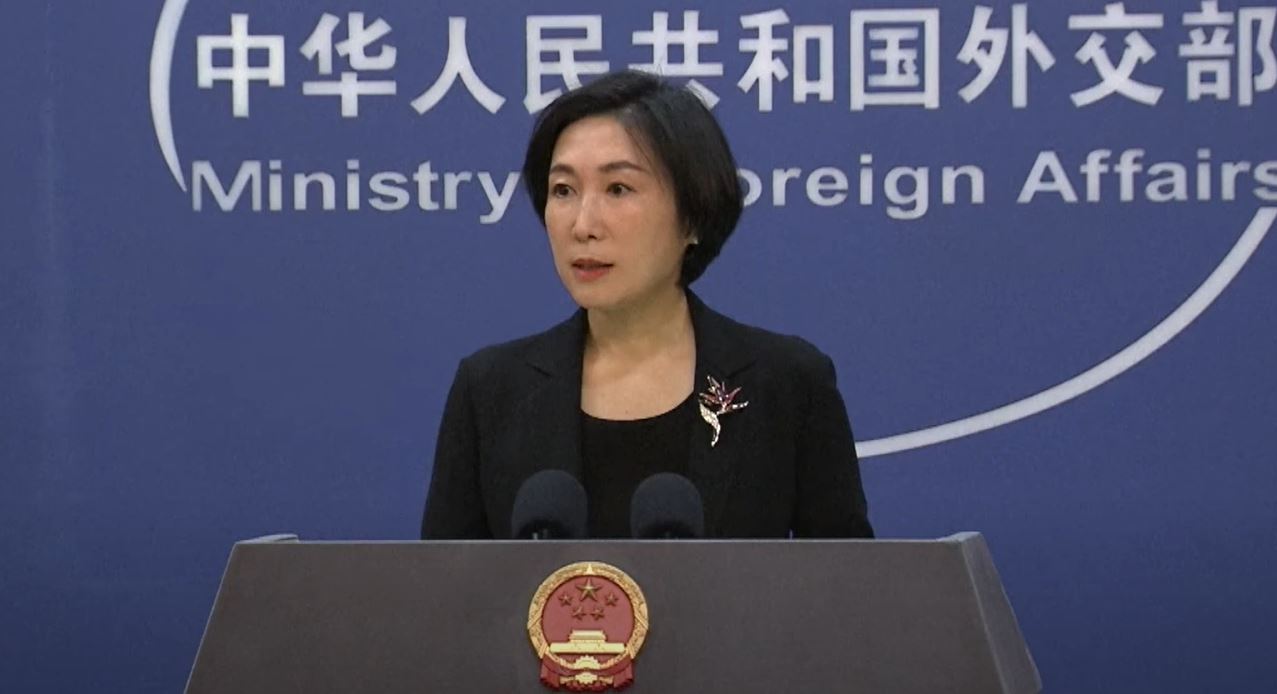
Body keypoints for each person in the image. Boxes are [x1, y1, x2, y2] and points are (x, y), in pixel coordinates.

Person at [421, 70, 872, 539]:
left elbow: (847, 580)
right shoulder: (491, 392)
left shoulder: (787, 384)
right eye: (563, 191)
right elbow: (445, 581)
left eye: (618, 189)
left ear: (693, 216)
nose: (583, 225)